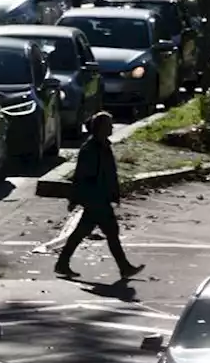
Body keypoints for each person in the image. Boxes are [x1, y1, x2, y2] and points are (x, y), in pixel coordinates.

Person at [54, 111, 144, 278]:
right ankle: (124, 267)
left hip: (99, 198)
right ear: (100, 128)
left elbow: (110, 174)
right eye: (108, 125)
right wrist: (77, 198)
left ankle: (62, 263)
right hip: (95, 198)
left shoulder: (104, 146)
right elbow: (81, 175)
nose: (111, 127)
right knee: (110, 232)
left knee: (83, 232)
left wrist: (114, 194)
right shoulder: (90, 149)